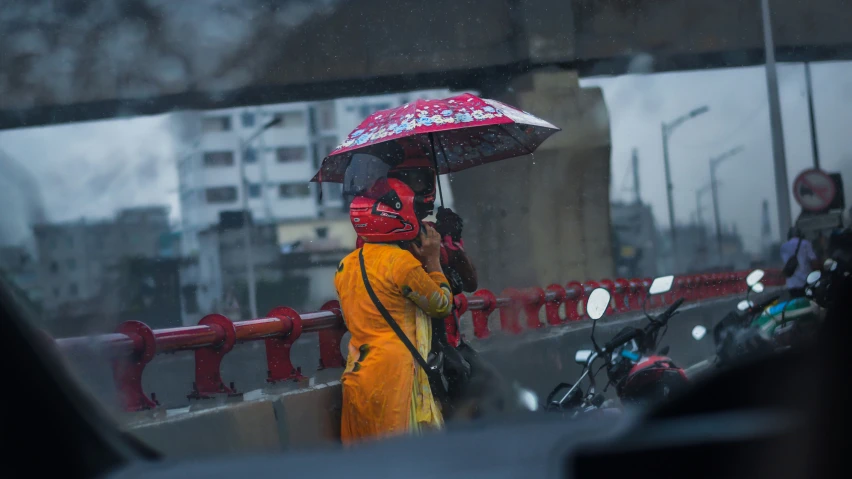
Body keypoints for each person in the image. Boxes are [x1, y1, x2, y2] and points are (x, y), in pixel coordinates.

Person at [335, 178, 454, 444]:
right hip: (397, 374)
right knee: (403, 458)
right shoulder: (401, 263)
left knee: (368, 461)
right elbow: (442, 305)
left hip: (359, 372)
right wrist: (433, 260)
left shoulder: (346, 265)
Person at [780, 227, 821, 298]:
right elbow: (814, 261)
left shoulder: (784, 246)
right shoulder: (806, 243)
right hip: (805, 281)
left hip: (791, 284)